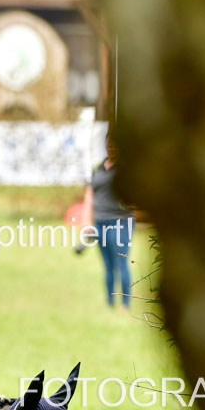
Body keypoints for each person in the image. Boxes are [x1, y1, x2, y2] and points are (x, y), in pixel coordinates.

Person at [82, 132, 134, 307]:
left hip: (120, 222)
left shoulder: (126, 169)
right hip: (100, 221)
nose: (111, 146)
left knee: (121, 262)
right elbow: (90, 194)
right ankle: (110, 302)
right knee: (107, 264)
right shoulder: (98, 168)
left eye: (115, 144)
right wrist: (86, 221)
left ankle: (125, 303)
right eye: (109, 143)